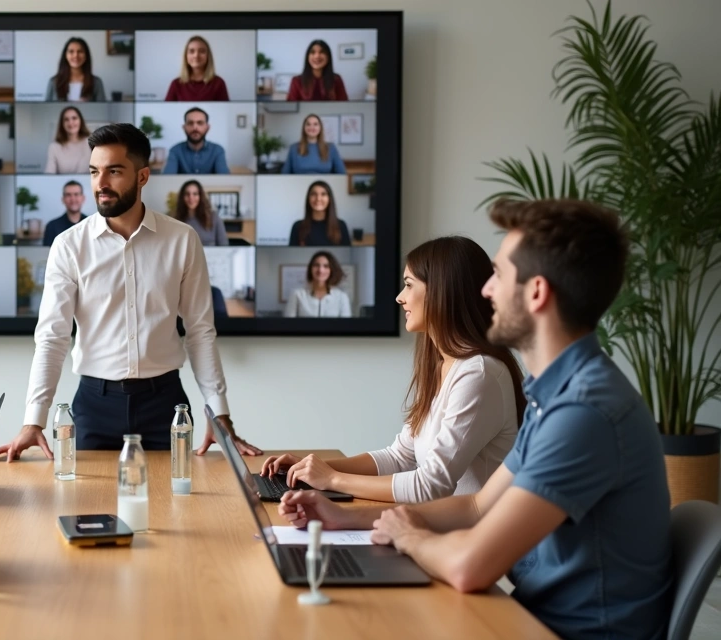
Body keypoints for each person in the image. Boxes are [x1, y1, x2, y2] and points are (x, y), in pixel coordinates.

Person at [278, 200, 672, 639]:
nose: (485, 291)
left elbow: (470, 567)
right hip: (533, 614)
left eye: (499, 275)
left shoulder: (584, 412)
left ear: (537, 293)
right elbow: (476, 505)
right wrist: (342, 519)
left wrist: (408, 535)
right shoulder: (557, 395)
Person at [0, 123, 261, 458]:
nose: (100, 184)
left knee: (178, 508)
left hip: (166, 406)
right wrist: (33, 421)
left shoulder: (182, 240)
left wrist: (220, 414)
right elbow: (52, 337)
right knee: (85, 509)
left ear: (142, 177)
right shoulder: (69, 246)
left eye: (113, 171)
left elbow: (200, 331)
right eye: (94, 171)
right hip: (93, 407)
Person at [267, 237, 524, 501]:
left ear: (442, 291)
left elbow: (431, 485)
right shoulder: (442, 366)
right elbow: (400, 456)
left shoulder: (478, 374)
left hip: (471, 536)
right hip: (440, 527)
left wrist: (333, 479)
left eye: (409, 285)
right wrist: (311, 467)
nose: (400, 298)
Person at [282, 251, 353, 318]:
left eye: (326, 266)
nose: (320, 270)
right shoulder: (297, 294)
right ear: (310, 269)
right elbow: (288, 325)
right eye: (316, 265)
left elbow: (345, 327)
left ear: (332, 270)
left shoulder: (342, 297)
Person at [162, 107, 230, 175]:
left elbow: (225, 180)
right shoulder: (175, 150)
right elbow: (167, 179)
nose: (195, 127)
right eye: (190, 123)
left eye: (200, 123)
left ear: (207, 127)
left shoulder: (218, 150)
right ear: (184, 127)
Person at [164, 35, 230, 101]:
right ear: (186, 56)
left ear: (208, 56)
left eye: (202, 51)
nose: (196, 55)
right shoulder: (176, 84)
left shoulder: (218, 83)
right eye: (192, 51)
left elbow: (225, 110)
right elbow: (166, 110)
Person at [288, 180, 351, 246]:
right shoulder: (297, 226)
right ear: (308, 199)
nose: (318, 198)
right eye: (314, 194)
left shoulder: (341, 225)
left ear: (329, 199)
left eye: (323, 194)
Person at [44, 37, 106, 102]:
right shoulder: (53, 82)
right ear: (65, 55)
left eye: (80, 51)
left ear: (86, 56)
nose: (75, 55)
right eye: (71, 51)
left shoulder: (97, 82)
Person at [281, 114, 346, 174]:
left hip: (323, 185)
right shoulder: (294, 148)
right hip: (299, 185)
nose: (312, 127)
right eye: (308, 124)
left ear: (320, 128)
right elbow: (285, 174)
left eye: (315, 124)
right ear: (304, 128)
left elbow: (341, 173)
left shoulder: (331, 148)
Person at [170, 179, 228, 246]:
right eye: (187, 194)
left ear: (201, 196)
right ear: (182, 197)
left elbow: (224, 246)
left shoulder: (214, 218)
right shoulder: (174, 219)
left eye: (195, 194)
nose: (191, 197)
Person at [45, 106, 91, 174]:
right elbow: (49, 174)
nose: (70, 122)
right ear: (62, 124)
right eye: (66, 119)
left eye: (74, 118)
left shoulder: (91, 143)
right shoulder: (54, 147)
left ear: (80, 121)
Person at [43, 180, 88, 247]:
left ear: (83, 198)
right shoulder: (52, 226)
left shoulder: (91, 224)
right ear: (63, 199)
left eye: (76, 194)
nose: (73, 199)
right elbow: (47, 254)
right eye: (68, 195)